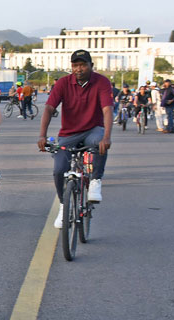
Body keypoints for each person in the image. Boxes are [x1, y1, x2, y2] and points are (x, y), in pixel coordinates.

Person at [37, 49, 112, 228]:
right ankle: (64, 205)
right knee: (58, 170)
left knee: (99, 144)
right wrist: (42, 135)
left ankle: (95, 181)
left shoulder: (101, 82)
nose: (79, 69)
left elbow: (107, 109)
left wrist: (107, 137)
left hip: (93, 130)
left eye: (83, 65)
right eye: (75, 65)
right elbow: (49, 108)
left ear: (91, 66)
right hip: (68, 134)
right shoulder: (63, 83)